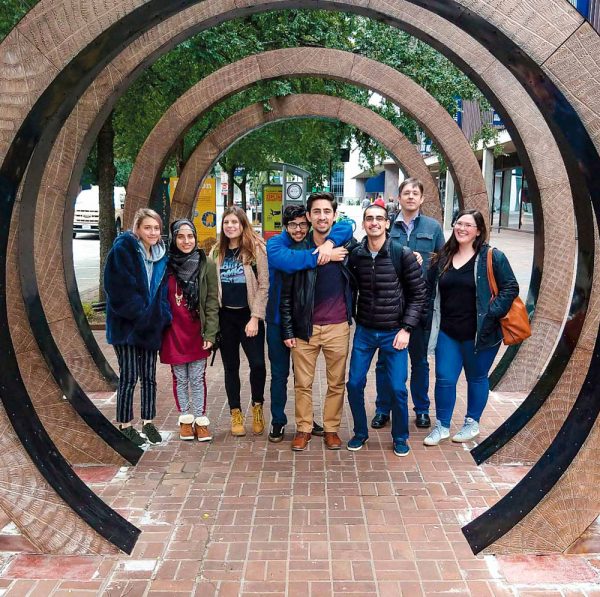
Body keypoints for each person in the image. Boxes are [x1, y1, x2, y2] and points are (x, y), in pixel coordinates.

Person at [423, 209, 519, 446]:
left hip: (481, 334)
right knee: (444, 378)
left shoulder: (492, 257)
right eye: (458, 223)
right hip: (448, 332)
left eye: (468, 225)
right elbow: (428, 291)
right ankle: (442, 426)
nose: (462, 228)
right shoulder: (442, 258)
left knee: (476, 378)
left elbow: (511, 287)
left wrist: (491, 313)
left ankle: (471, 422)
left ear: (478, 231)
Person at [266, 205, 352, 442]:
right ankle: (278, 421)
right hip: (279, 320)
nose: (298, 229)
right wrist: (326, 255)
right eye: (293, 225)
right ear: (285, 226)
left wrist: (328, 245)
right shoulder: (277, 244)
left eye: (302, 224)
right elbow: (289, 261)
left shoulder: (315, 242)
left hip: (306, 321)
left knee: (304, 377)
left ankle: (311, 422)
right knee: (281, 374)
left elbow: (348, 226)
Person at [346, 203, 426, 456]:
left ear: (387, 223)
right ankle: (360, 432)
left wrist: (407, 329)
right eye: (369, 219)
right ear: (364, 223)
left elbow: (418, 294)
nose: (374, 223)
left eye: (379, 218)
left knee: (398, 388)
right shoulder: (357, 254)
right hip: (365, 332)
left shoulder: (401, 254)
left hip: (394, 332)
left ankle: (400, 436)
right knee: (354, 383)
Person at [372, 178, 444, 431]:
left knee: (420, 361)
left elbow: (441, 265)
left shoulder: (433, 228)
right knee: (385, 361)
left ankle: (422, 409)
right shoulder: (388, 227)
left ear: (422, 199)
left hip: (421, 305)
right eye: (406, 193)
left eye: (416, 193)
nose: (411, 197)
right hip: (390, 307)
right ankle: (383, 408)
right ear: (399, 197)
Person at [104, 207, 171, 446]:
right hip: (127, 326)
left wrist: (162, 316)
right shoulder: (123, 250)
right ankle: (124, 425)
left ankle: (148, 422)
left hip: (151, 325)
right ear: (137, 229)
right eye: (148, 227)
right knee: (129, 377)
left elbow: (162, 291)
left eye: (156, 228)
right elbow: (118, 289)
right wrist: (141, 315)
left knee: (150, 378)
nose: (153, 232)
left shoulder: (162, 255)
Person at [210, 206, 269, 437]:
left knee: (257, 365)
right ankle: (235, 411)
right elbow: (213, 287)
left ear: (243, 224)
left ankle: (257, 406)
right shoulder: (217, 252)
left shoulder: (256, 249)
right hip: (227, 318)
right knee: (231, 367)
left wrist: (255, 317)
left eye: (235, 222)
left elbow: (264, 285)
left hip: (249, 315)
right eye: (226, 223)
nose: (230, 226)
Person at [160, 219, 219, 442]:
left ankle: (201, 419)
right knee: (180, 378)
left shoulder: (206, 264)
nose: (186, 241)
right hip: (173, 331)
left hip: (197, 330)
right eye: (181, 236)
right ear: (174, 238)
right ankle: (185, 419)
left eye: (190, 236)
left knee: (196, 377)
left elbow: (212, 301)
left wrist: (211, 333)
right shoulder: (165, 265)